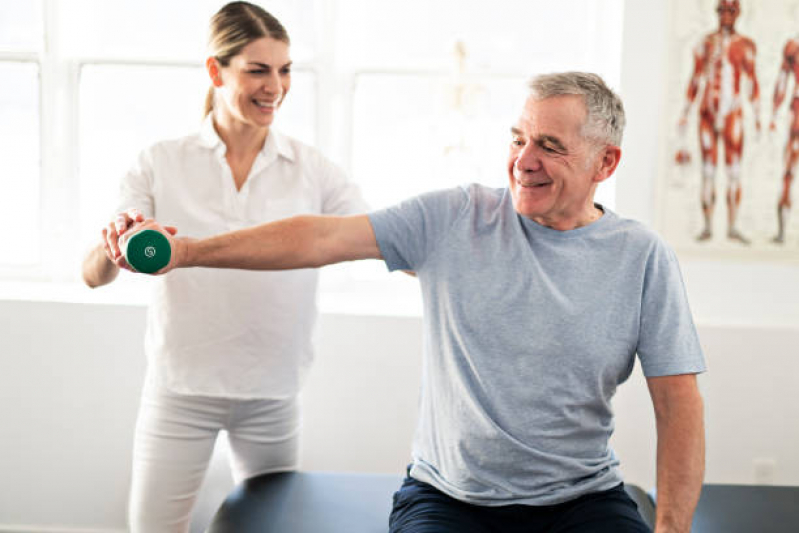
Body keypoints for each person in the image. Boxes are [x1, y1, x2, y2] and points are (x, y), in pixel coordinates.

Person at [122, 72, 706, 533]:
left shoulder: (641, 258)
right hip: (449, 499)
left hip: (582, 499)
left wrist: (671, 528)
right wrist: (190, 251)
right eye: (518, 138)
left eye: (550, 147)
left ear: (606, 163)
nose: (524, 160)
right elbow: (321, 237)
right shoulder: (456, 218)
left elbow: (677, 404)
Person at [81, 2, 366, 531]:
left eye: (284, 70)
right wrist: (113, 245)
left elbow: (376, 236)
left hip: (271, 392)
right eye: (258, 70)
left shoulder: (313, 170)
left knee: (273, 527)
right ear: (216, 71)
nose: (275, 87)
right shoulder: (160, 161)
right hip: (180, 390)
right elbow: (94, 274)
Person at [674, 0, 760, 244]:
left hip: (733, 113)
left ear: (738, 13)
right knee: (708, 172)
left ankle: (732, 226)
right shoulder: (705, 43)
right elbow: (695, 79)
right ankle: (708, 226)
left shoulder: (745, 45)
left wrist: (757, 117)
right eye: (721, 10)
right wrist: (685, 112)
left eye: (730, 10)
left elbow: (752, 81)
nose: (725, 15)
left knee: (734, 172)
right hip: (707, 114)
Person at [770, 34, 799, 244]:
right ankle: (782, 230)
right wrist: (773, 114)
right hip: (796, 113)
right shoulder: (793, 46)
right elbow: (782, 81)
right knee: (788, 169)